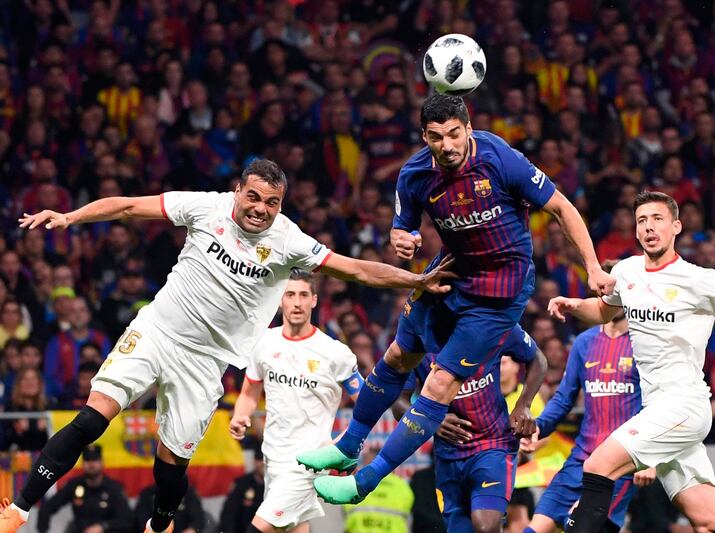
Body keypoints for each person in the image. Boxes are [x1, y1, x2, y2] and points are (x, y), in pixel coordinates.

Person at [0, 158, 454, 533]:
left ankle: (161, 523)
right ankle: (18, 510)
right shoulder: (205, 208)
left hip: (207, 362)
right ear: (238, 190)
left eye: (271, 203)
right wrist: (70, 216)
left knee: (172, 463)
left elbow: (355, 269)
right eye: (253, 197)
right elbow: (127, 208)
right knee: (95, 413)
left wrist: (414, 279)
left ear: (281, 205)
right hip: (158, 332)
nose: (259, 209)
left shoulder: (289, 241)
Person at [298, 94, 614, 505]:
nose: (446, 145)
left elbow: (561, 207)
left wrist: (592, 267)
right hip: (449, 273)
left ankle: (363, 483)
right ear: (424, 137)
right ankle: (348, 446)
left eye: (453, 134)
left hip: (499, 295)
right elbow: (403, 229)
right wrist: (403, 240)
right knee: (398, 356)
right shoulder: (413, 175)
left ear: (468, 128)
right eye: (435, 137)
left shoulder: (501, 159)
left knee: (439, 382)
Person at [546, 191, 715, 533]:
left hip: (684, 407)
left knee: (598, 466)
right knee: (707, 520)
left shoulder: (700, 279)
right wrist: (576, 305)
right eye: (642, 221)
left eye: (657, 219)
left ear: (676, 226)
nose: (649, 227)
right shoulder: (627, 270)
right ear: (636, 232)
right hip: (656, 410)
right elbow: (604, 310)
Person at [229, 268, 364, 533]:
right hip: (273, 456)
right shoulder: (264, 342)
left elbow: (366, 405)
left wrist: (349, 444)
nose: (297, 302)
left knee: (259, 528)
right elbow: (248, 393)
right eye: (290, 294)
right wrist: (240, 415)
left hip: (310, 460)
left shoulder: (335, 353)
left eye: (304, 295)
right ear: (280, 298)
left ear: (314, 300)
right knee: (292, 528)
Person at [522, 263, 653, 533]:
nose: (607, 296)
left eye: (613, 289)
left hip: (619, 465)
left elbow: (658, 405)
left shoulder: (646, 343)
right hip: (579, 459)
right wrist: (539, 426)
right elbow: (563, 399)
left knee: (578, 528)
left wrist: (651, 459)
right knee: (533, 530)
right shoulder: (584, 342)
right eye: (601, 290)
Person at [392, 325, 546, 533]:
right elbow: (398, 403)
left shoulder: (491, 322)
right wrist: (433, 421)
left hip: (493, 445)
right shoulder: (418, 338)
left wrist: (523, 404)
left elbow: (537, 358)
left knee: (485, 526)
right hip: (449, 455)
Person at [37, 445, 134, 533]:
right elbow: (48, 507)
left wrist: (103, 526)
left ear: (102, 462)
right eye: (88, 460)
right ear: (83, 463)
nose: (91, 464)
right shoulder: (75, 485)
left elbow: (127, 520)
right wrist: (42, 529)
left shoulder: (113, 488)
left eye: (95, 460)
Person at [219, 448, 265, 533]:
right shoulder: (242, 484)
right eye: (260, 460)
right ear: (255, 461)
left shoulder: (278, 486)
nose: (263, 464)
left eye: (267, 461)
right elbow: (229, 514)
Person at [135, 484, 204, 533]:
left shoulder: (188, 493)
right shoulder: (148, 493)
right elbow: (141, 520)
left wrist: (192, 529)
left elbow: (198, 518)